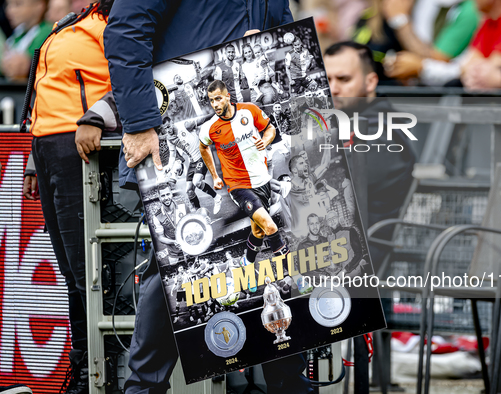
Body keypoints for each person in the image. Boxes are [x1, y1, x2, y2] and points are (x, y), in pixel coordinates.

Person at [102, 2, 312, 393]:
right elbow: (125, 32)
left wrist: (272, 47)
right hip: (175, 142)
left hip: (253, 154)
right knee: (176, 268)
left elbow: (285, 30)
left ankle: (290, 385)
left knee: (276, 261)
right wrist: (141, 123)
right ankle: (142, 389)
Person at [22, 2, 113, 393]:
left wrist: (98, 117)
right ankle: (86, 367)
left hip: (81, 148)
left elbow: (130, 80)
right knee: (73, 272)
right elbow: (49, 91)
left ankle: (103, 371)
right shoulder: (77, 19)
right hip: (50, 148)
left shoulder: (113, 20)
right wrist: (32, 155)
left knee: (88, 271)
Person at [323, 41, 416, 271]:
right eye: (328, 80)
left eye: (343, 79)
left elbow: (348, 184)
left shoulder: (384, 132)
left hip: (361, 264)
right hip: (333, 252)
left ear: (370, 81)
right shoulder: (340, 123)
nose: (333, 88)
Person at [199, 80, 290, 269]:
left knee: (258, 232)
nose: (215, 104)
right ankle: (294, 275)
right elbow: (203, 147)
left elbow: (270, 128)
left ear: (227, 97)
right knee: (270, 226)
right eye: (211, 101)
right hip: (238, 186)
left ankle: (246, 263)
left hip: (261, 180)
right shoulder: (209, 128)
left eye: (218, 99)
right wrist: (215, 175)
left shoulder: (249, 110)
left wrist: (265, 141)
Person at [162, 116, 223, 214]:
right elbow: (172, 154)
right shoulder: (169, 138)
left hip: (202, 156)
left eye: (168, 127)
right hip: (192, 161)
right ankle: (198, 214)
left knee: (197, 182)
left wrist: (216, 114)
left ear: (172, 122)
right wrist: (169, 166)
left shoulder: (185, 126)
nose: (168, 130)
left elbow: (202, 120)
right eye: (165, 128)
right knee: (189, 191)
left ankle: (217, 198)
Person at [2, 0, 51, 80]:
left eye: (18, 4)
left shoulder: (48, 33)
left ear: (39, 6)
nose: (10, 10)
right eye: (8, 5)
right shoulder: (17, 34)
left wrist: (28, 66)